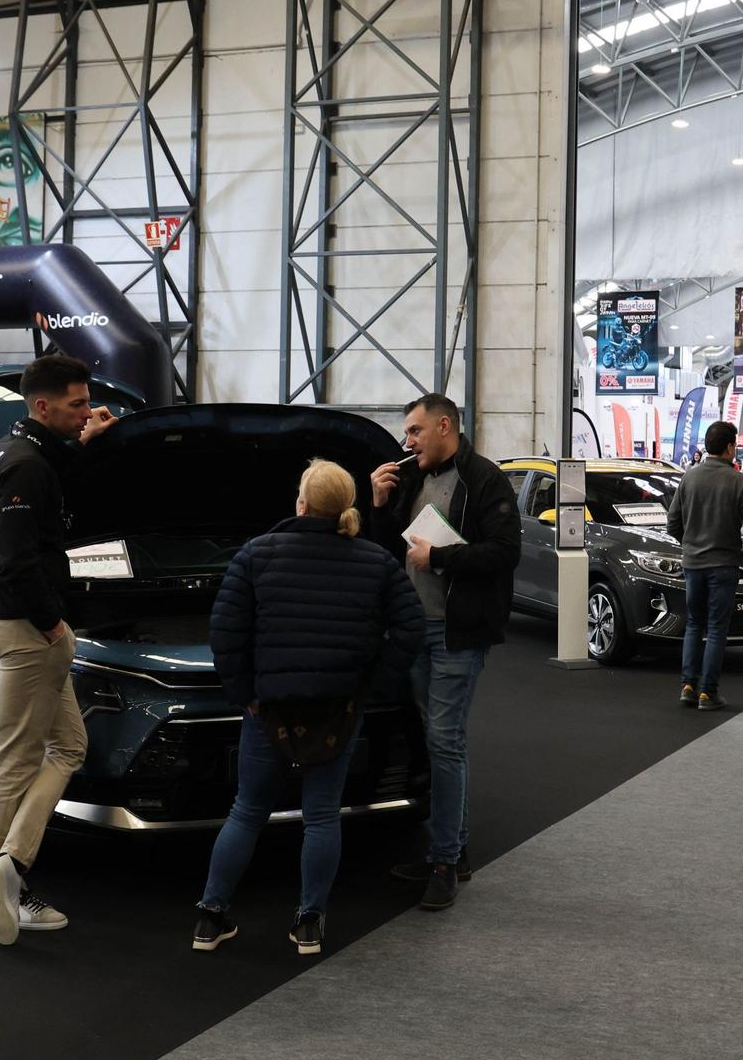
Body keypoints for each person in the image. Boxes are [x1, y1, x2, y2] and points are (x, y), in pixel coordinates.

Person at [194, 460, 426, 956]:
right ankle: (309, 924)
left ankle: (210, 919)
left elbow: (225, 633)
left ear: (300, 503)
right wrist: (372, 686)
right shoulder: (375, 562)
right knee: (321, 816)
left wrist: (246, 693)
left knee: (247, 810)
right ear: (349, 507)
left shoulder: (256, 554)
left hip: (268, 710)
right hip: (338, 710)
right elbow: (411, 629)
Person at [0, 353, 118, 946]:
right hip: (29, 633)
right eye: (77, 404)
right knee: (16, 759)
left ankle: (7, 866)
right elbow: (16, 559)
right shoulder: (27, 467)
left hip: (17, 627)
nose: (85, 411)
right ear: (42, 405)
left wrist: (90, 443)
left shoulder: (16, 451)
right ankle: (7, 883)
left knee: (69, 746)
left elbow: (60, 491)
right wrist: (53, 624)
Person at [370, 393, 521, 913]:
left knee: (444, 740)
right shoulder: (412, 477)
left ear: (443, 425)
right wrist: (380, 505)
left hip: (458, 633)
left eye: (414, 431)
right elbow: (389, 550)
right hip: (414, 630)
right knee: (436, 740)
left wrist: (440, 556)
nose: (407, 442)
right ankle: (452, 853)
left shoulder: (484, 479)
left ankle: (442, 862)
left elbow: (504, 553)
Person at [666, 420, 743, 711]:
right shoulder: (740, 482)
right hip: (724, 565)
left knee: (693, 624)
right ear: (730, 447)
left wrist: (690, 545)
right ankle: (708, 693)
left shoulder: (688, 478)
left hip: (693, 564)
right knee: (717, 629)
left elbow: (672, 523)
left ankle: (687, 686)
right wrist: (742, 554)